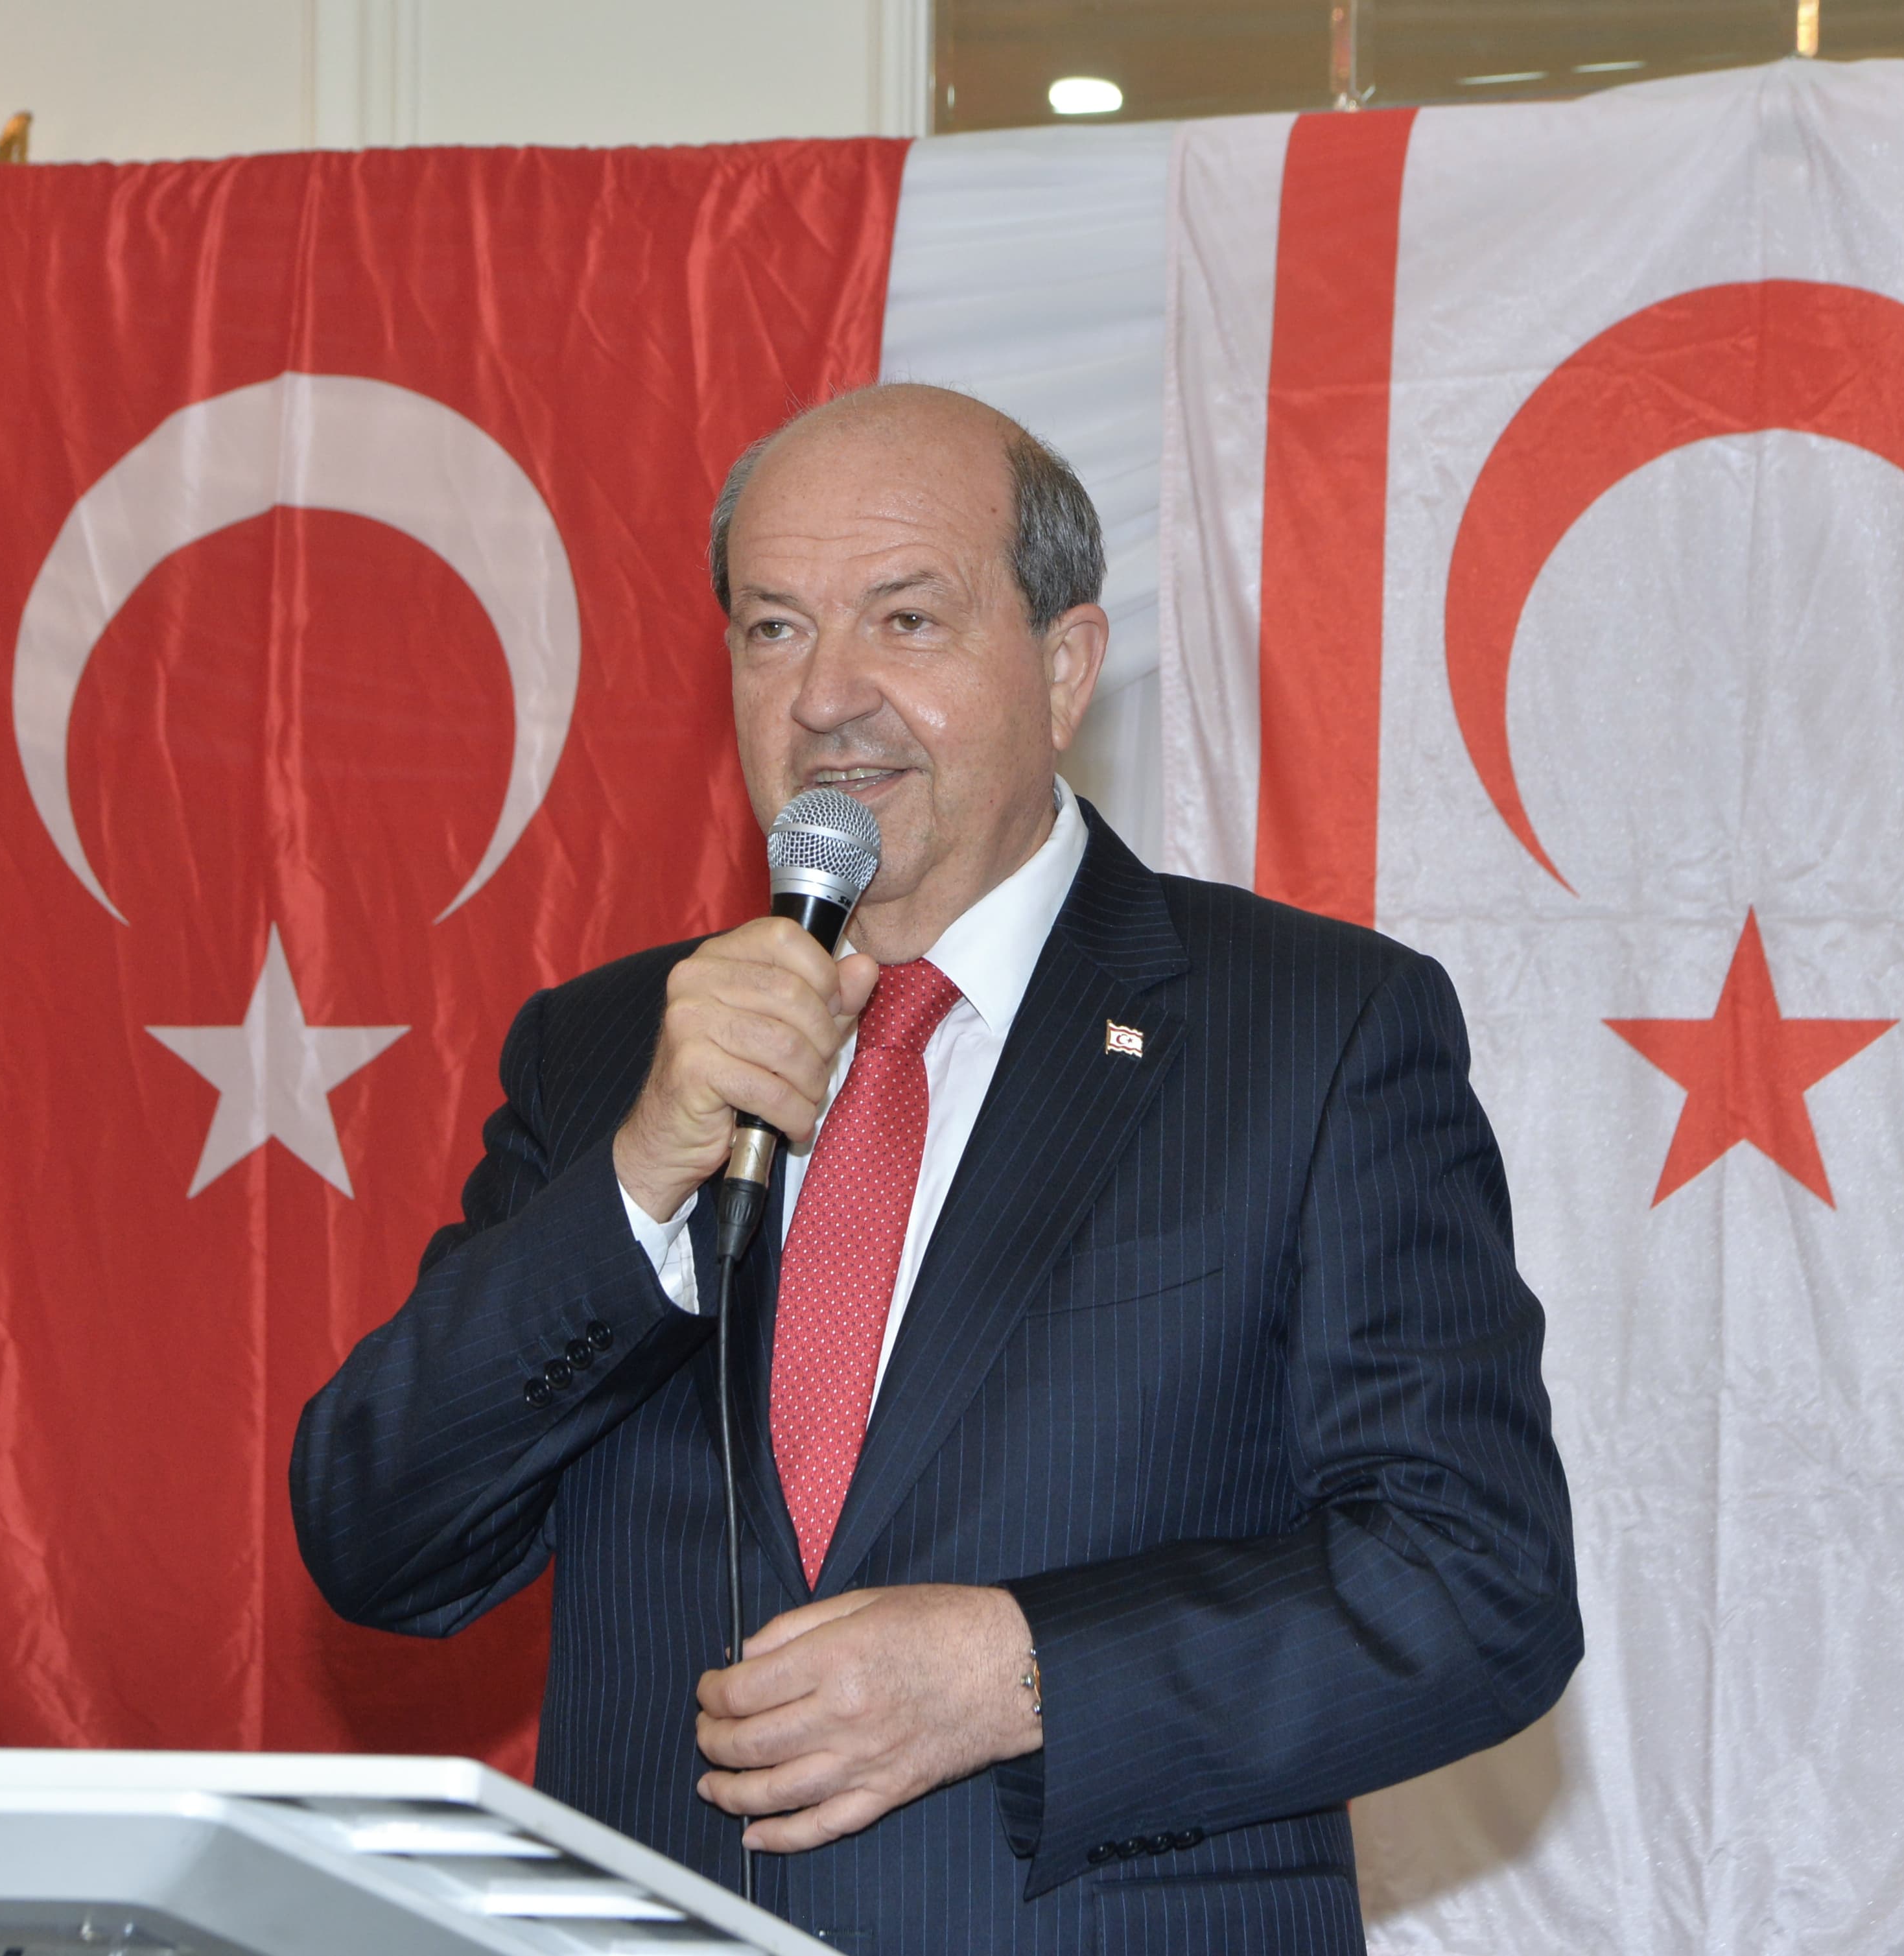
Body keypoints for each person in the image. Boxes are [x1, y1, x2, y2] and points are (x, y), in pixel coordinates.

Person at [290, 383, 1579, 1954]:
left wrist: (1018, 1674)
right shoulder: (610, 1050)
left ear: (1064, 666)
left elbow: (1475, 1584)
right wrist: (636, 1183)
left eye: (903, 620)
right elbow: (378, 1539)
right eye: (773, 629)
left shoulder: (1311, 1030)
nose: (828, 696)